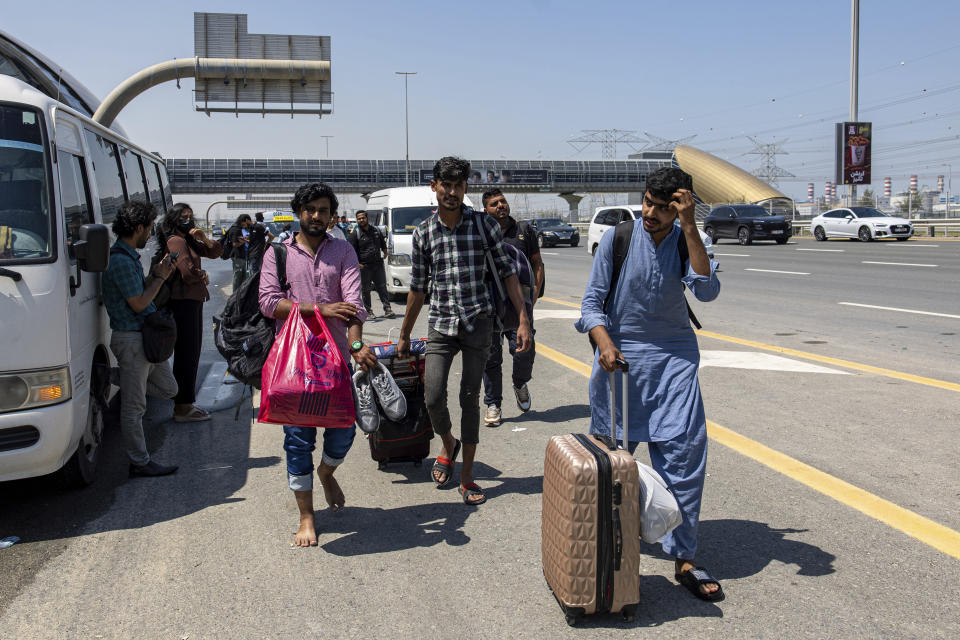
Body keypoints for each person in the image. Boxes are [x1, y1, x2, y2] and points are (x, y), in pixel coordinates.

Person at [575, 167, 723, 601]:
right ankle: (604, 549)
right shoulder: (618, 239)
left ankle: (686, 558)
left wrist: (691, 226)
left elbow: (707, 289)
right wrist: (602, 341)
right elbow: (590, 303)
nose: (652, 213)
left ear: (680, 207)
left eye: (664, 207)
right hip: (618, 364)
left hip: (674, 360)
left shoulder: (687, 238)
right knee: (611, 467)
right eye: (648, 203)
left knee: (685, 457)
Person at [398, 157, 532, 506]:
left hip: (478, 323)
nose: (452, 192)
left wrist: (523, 320)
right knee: (432, 396)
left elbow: (508, 274)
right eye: (446, 185)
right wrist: (404, 334)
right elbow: (417, 288)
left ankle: (468, 474)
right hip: (441, 325)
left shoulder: (484, 225)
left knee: (469, 399)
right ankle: (448, 444)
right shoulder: (423, 233)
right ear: (435, 186)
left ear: (466, 188)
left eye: (458, 186)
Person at [259, 182, 378, 547]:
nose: (316, 215)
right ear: (299, 212)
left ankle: (327, 473)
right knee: (298, 441)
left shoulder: (342, 250)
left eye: (323, 210)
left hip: (337, 361)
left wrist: (357, 343)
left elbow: (354, 305)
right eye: (310, 209)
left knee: (344, 432)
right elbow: (267, 302)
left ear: (331, 215)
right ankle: (307, 516)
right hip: (293, 365)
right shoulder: (277, 253)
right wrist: (318, 309)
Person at [101, 200, 179, 477]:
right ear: (138, 228)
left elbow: (141, 297)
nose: (150, 234)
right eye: (149, 228)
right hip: (132, 339)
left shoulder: (129, 256)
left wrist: (157, 276)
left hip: (144, 339)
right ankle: (140, 461)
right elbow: (138, 303)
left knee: (168, 389)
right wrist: (159, 278)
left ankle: (110, 376)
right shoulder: (121, 261)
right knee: (134, 408)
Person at [480, 188, 544, 426]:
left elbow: (537, 263)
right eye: (494, 203)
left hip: (520, 304)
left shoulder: (524, 230)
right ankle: (493, 403)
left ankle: (520, 382)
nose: (501, 206)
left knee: (524, 350)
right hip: (491, 305)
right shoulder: (483, 233)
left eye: (503, 201)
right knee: (491, 357)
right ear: (485, 210)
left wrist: (534, 294)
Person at [158, 203, 223, 423]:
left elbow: (216, 252)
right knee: (187, 353)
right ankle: (183, 406)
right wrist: (202, 274)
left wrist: (203, 238)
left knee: (191, 352)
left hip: (191, 301)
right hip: (182, 303)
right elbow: (186, 271)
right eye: (182, 218)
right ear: (174, 221)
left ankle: (185, 403)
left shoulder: (189, 240)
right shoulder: (176, 241)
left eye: (189, 217)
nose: (187, 221)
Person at [348, 210, 393, 319]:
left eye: (363, 218)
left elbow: (382, 242)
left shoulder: (376, 230)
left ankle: (387, 308)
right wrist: (357, 264)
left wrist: (385, 250)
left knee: (382, 287)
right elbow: (351, 251)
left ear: (367, 218)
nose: (361, 220)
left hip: (378, 264)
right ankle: (368, 311)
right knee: (366, 290)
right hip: (364, 267)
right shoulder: (355, 234)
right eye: (359, 218)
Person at [227, 213, 252, 292]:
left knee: (242, 277)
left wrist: (243, 239)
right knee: (238, 277)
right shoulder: (236, 229)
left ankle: (239, 295)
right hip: (238, 256)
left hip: (240, 256)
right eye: (247, 223)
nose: (247, 225)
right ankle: (235, 297)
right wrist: (244, 241)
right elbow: (235, 244)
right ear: (243, 221)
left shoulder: (235, 228)